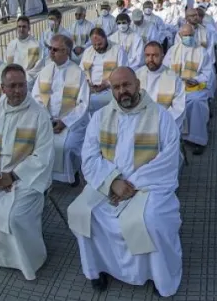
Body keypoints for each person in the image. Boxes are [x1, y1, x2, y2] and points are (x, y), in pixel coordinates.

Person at [67, 66, 182, 296]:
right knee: (81, 211)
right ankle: (97, 268)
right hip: (108, 185)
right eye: (117, 87)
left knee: (149, 219)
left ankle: (159, 276)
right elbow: (89, 157)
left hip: (148, 187)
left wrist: (131, 185)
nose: (123, 91)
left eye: (127, 85)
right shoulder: (100, 117)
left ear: (138, 84)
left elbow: (167, 161)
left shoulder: (161, 116)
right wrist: (113, 182)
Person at [0, 64, 54, 280]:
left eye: (22, 85)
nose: (18, 91)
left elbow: (43, 157)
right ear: (3, 88)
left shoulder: (39, 115)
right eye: (12, 86)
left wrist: (12, 176)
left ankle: (29, 261)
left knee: (14, 217)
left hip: (26, 179)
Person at [31, 35, 90, 185]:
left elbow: (83, 104)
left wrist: (64, 122)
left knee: (67, 146)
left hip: (71, 122)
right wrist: (46, 120)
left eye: (55, 49)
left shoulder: (77, 73)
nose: (51, 52)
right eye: (50, 48)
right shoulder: (45, 71)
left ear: (66, 51)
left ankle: (71, 175)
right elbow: (36, 97)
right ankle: (44, 176)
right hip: (47, 121)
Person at [164, 23, 213, 155]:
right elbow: (165, 71)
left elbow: (207, 73)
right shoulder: (172, 51)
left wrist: (196, 80)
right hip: (175, 88)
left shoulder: (201, 51)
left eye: (191, 35)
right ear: (180, 35)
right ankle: (173, 138)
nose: (188, 38)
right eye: (185, 35)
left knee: (196, 102)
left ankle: (198, 140)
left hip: (194, 88)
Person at [135, 41, 186, 131]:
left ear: (162, 56)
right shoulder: (137, 75)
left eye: (155, 55)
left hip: (164, 124)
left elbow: (179, 108)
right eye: (147, 55)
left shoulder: (173, 77)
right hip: (140, 122)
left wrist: (161, 122)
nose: (150, 59)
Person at [80, 28, 127, 113]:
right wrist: (87, 84)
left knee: (88, 103)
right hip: (90, 89)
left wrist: (107, 84)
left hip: (110, 90)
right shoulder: (88, 51)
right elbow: (81, 72)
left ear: (105, 38)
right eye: (94, 45)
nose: (97, 47)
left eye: (100, 44)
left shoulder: (117, 50)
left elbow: (123, 73)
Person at [5, 16, 43, 88]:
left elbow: (34, 70)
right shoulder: (11, 44)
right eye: (19, 27)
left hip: (27, 81)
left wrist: (20, 80)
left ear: (29, 28)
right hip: (11, 79)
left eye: (24, 27)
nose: (21, 29)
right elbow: (7, 64)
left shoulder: (35, 45)